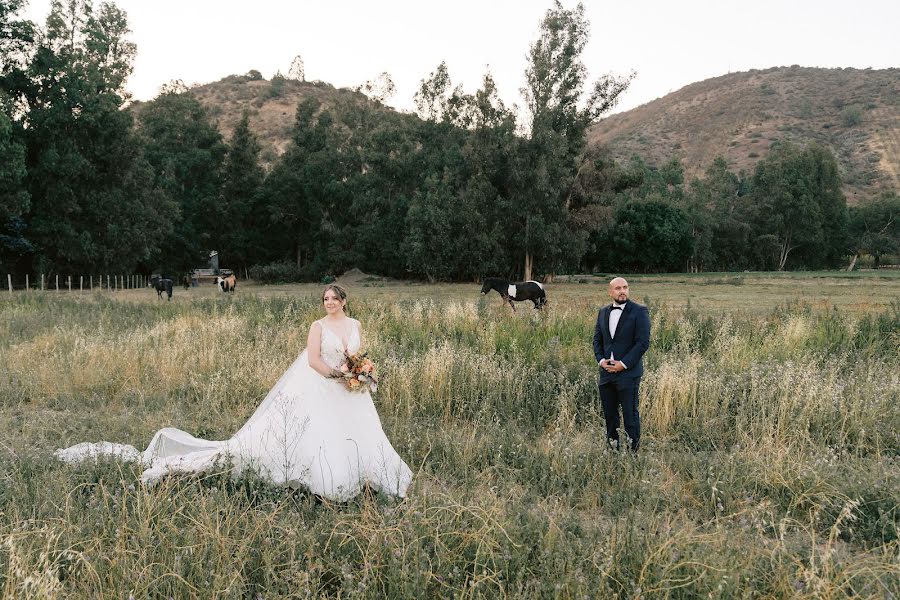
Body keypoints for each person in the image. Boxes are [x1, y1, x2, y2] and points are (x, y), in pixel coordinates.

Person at [57, 284, 413, 502]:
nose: (328, 303)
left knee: (359, 432)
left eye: (333, 299)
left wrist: (361, 372)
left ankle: (367, 475)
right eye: (325, 299)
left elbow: (356, 355)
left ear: (345, 302)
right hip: (325, 385)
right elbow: (313, 361)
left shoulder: (355, 325)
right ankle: (327, 479)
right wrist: (338, 374)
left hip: (351, 391)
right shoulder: (317, 326)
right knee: (320, 435)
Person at [592, 277, 650, 451]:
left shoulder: (639, 311)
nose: (622, 291)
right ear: (610, 292)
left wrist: (623, 364)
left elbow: (642, 343)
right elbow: (597, 340)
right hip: (606, 373)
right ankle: (613, 452)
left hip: (628, 373)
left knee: (630, 416)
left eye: (625, 287)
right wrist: (602, 361)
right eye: (618, 288)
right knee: (610, 416)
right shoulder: (603, 312)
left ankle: (633, 455)